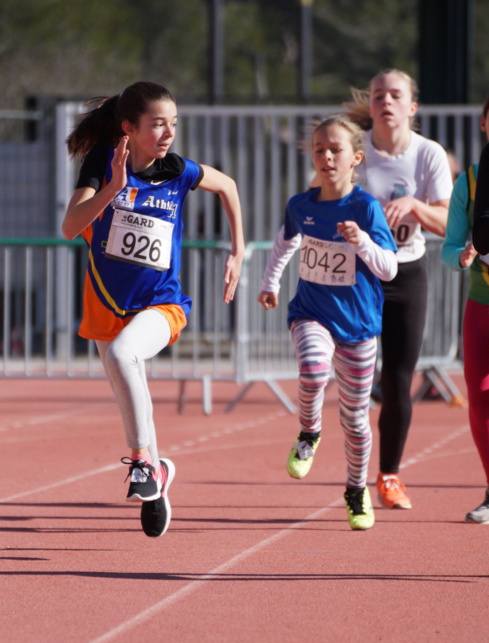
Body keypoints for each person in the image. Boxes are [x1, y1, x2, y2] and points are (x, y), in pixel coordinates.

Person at [62, 81, 244, 538]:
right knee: (130, 391)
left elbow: (227, 186)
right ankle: (157, 478)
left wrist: (238, 252)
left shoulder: (178, 170)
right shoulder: (103, 163)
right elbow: (70, 226)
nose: (168, 133)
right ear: (129, 128)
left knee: (125, 355)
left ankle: (144, 463)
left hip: (162, 303)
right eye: (158, 124)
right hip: (107, 302)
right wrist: (113, 189)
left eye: (173, 124)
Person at [258, 115, 397, 530]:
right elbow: (284, 244)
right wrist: (270, 282)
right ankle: (309, 433)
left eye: (336, 149)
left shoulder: (365, 208)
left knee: (356, 420)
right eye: (319, 150)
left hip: (358, 324)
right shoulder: (301, 206)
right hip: (311, 312)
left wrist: (362, 241)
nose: (327, 157)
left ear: (356, 158)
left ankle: (356, 490)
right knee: (314, 370)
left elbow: (389, 269)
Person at [344, 69, 453, 510]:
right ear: (370, 106)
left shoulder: (428, 154)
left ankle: (388, 476)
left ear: (412, 106)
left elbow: (448, 222)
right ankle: (335, 456)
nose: (385, 101)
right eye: (378, 95)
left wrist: (414, 205)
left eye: (395, 95)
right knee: (352, 375)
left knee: (397, 378)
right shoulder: (354, 152)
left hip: (406, 273)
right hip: (358, 275)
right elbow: (322, 196)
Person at [443, 99, 489, 523]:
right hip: (482, 303)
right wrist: (462, 255)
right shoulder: (470, 182)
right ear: (484, 124)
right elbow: (449, 247)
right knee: (479, 400)